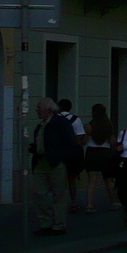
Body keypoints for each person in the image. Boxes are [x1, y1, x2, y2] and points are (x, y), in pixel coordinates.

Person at [28, 98, 80, 235]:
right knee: (38, 193)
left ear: (49, 109)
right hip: (41, 162)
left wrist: (62, 159)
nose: (37, 110)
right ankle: (46, 222)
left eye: (39, 107)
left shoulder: (60, 123)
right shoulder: (41, 125)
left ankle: (59, 224)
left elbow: (70, 143)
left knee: (59, 195)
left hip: (56, 163)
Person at [82, 104, 118, 213]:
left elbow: (83, 141)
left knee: (92, 180)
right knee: (108, 179)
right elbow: (113, 141)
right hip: (105, 153)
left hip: (91, 153)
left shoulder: (88, 126)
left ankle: (89, 205)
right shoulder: (108, 125)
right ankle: (113, 202)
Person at [56, 99, 86, 207]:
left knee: (58, 180)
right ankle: (73, 201)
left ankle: (59, 202)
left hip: (57, 152)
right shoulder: (75, 119)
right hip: (72, 153)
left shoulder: (55, 118)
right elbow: (79, 138)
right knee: (71, 179)